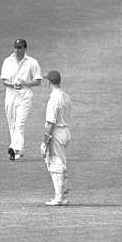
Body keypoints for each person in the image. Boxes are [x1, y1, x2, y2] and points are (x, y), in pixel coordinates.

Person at [0, 38, 43, 160]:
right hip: (10, 96)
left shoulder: (32, 62)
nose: (17, 50)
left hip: (25, 96)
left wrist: (26, 83)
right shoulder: (8, 61)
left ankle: (16, 148)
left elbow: (38, 81)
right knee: (12, 124)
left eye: (20, 48)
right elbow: (4, 80)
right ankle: (17, 150)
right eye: (16, 47)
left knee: (19, 124)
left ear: (25, 48)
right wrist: (13, 85)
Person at [40, 70, 71, 206]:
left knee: (55, 164)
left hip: (56, 133)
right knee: (61, 163)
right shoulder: (65, 96)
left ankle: (59, 198)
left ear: (49, 82)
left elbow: (51, 123)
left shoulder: (54, 99)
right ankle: (63, 196)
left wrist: (45, 141)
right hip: (65, 131)